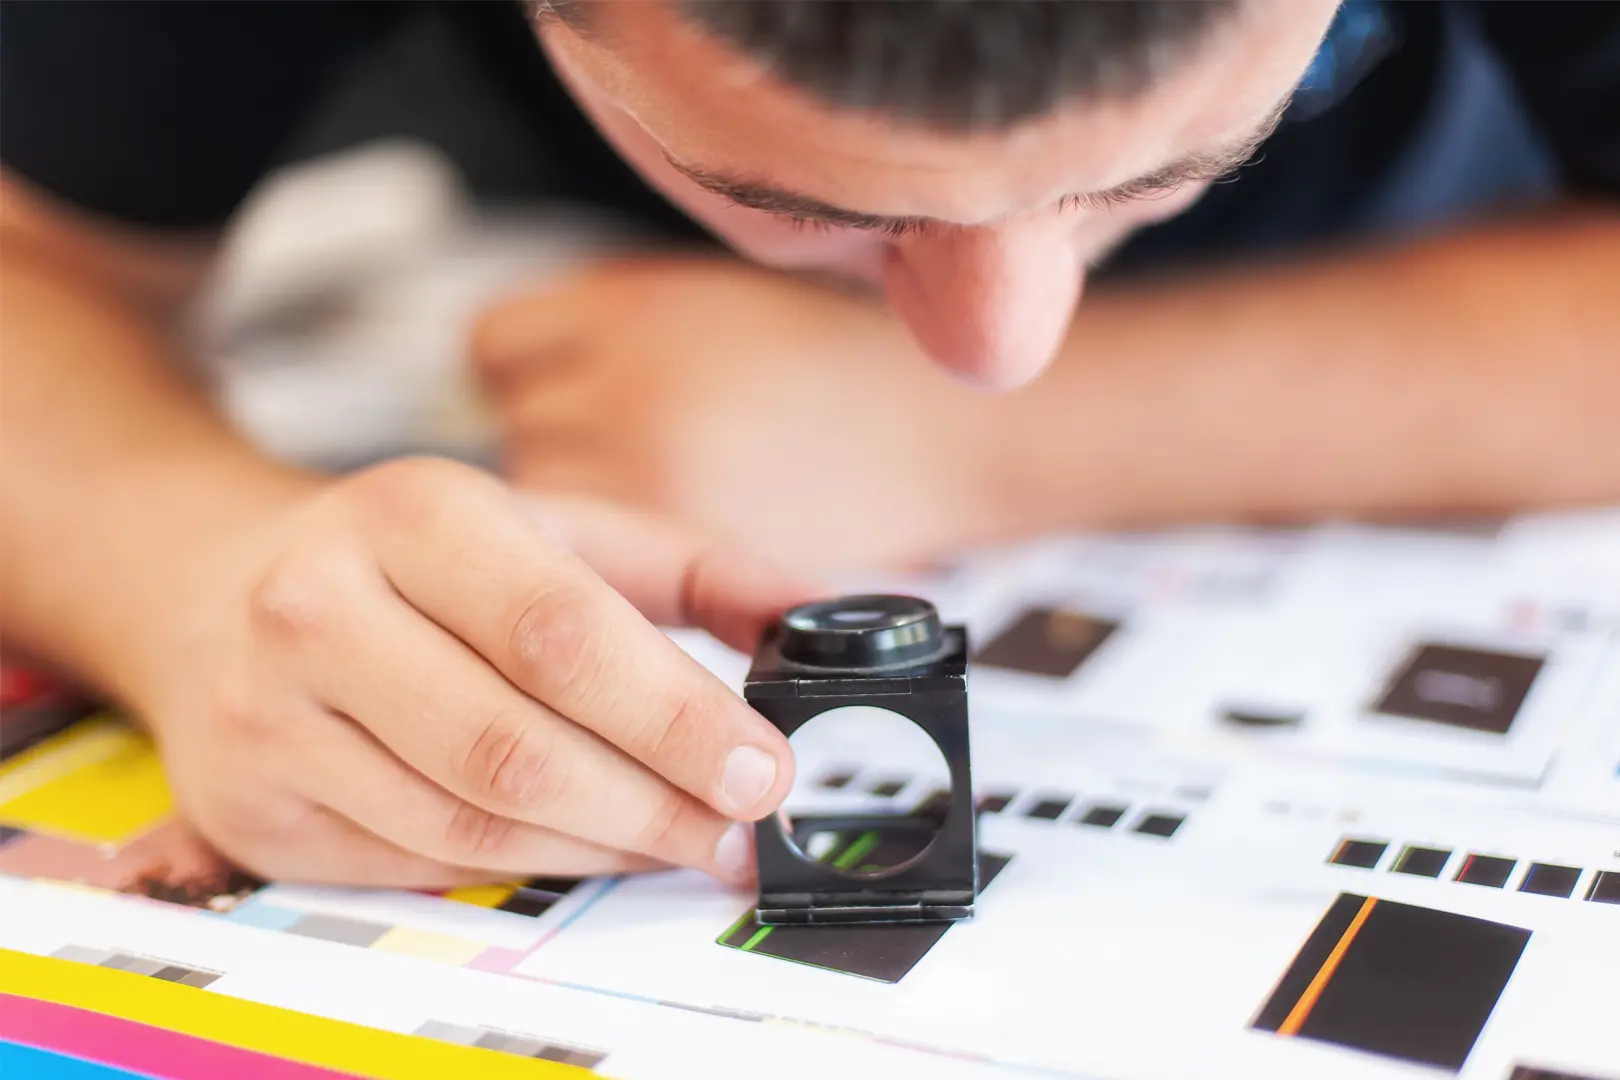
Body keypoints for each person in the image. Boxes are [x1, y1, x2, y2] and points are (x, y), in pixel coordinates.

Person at [1, 1, 1615, 893]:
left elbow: (1003, 391)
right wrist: (184, 564)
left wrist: (1000, 443)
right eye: (804, 204)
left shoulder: (989, 366)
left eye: (1186, 158)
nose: (1002, 345)